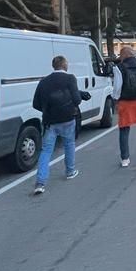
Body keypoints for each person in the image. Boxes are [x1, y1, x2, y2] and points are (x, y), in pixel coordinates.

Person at [30, 55, 89, 196]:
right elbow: (77, 100)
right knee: (69, 144)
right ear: (64, 65)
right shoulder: (70, 78)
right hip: (67, 118)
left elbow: (35, 104)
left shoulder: (44, 82)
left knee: (46, 150)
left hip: (50, 121)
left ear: (53, 66)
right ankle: (70, 171)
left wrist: (47, 110)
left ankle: (40, 183)